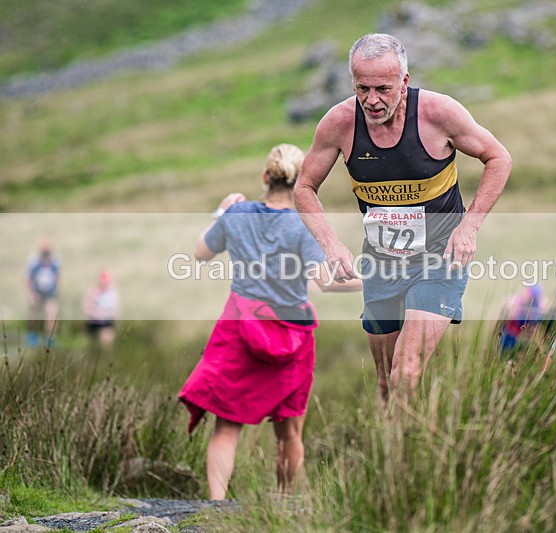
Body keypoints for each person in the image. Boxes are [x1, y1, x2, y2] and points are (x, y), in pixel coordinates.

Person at [294, 33, 512, 399]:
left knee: (405, 374)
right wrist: (331, 245)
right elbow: (304, 188)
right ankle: (394, 452)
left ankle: (412, 457)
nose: (372, 100)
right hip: (383, 263)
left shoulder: (439, 114)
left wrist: (469, 225)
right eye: (362, 88)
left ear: (404, 82)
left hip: (441, 258)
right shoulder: (339, 124)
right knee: (385, 384)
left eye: (383, 88)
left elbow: (499, 158)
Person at [178, 144, 361, 500]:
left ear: (266, 177)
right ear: (304, 182)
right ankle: (284, 507)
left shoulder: (237, 214)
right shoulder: (304, 226)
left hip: (239, 329)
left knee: (226, 429)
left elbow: (200, 253)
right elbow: (325, 282)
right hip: (291, 336)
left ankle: (216, 505)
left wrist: (221, 210)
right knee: (289, 434)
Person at [26, 240, 60, 348]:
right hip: (37, 292)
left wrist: (55, 294)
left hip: (50, 293)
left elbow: (57, 279)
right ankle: (32, 335)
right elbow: (27, 280)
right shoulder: (34, 263)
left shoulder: (55, 263)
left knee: (52, 313)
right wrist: (32, 294)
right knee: (34, 313)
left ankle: (49, 339)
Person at [498, 284, 547, 358]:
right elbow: (511, 315)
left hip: (524, 340)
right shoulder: (516, 301)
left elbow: (536, 324)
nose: (526, 294)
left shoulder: (537, 307)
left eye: (529, 293)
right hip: (509, 336)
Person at [82, 270, 121, 349]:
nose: (104, 284)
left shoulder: (113, 292)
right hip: (94, 321)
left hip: (107, 322)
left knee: (106, 337)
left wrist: (110, 315)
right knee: (91, 343)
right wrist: (96, 313)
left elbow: (118, 309)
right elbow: (85, 306)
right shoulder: (93, 291)